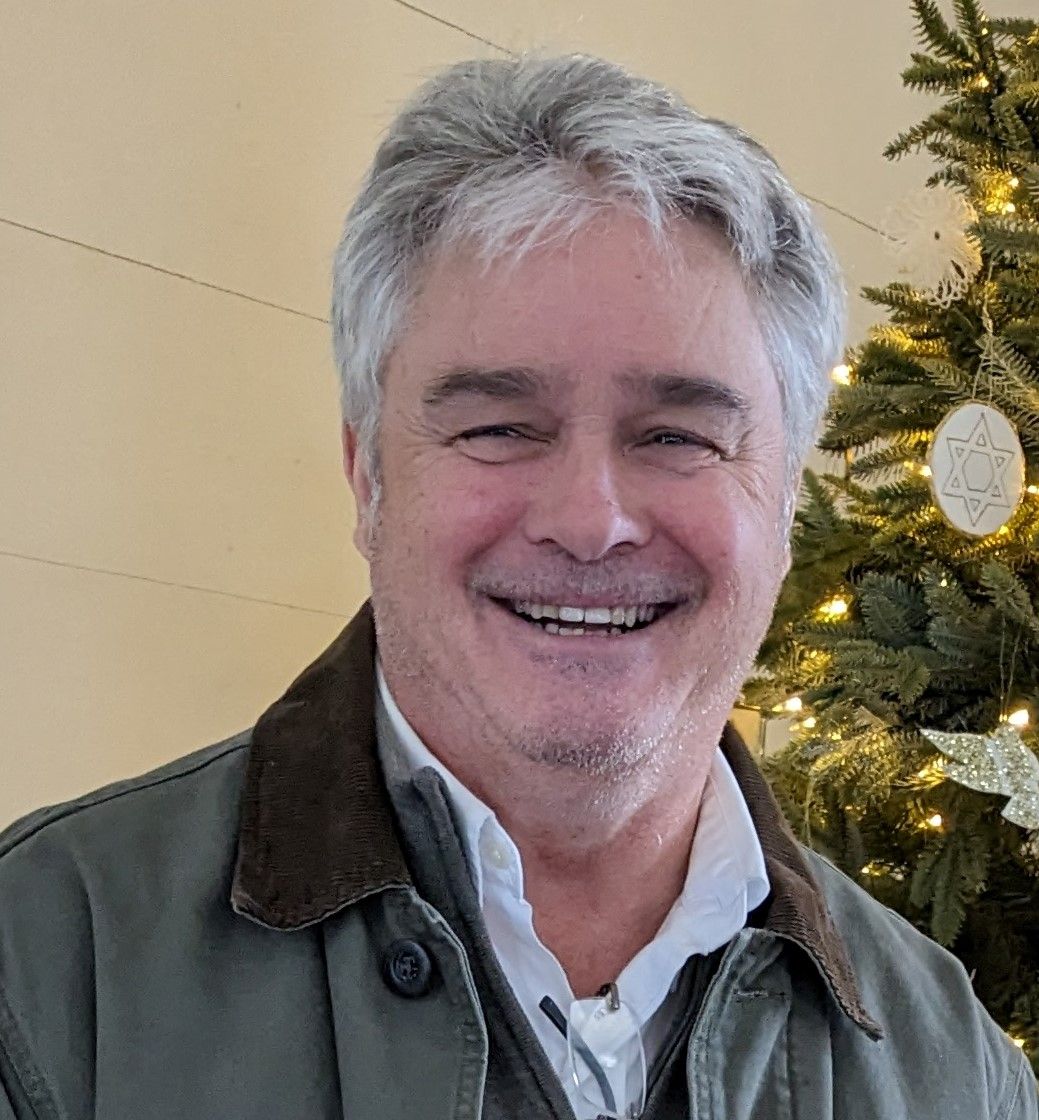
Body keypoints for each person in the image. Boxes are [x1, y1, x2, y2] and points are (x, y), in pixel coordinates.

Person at [0, 53, 1034, 1120]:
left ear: (780, 504)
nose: (589, 520)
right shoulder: (46, 978)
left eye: (677, 436)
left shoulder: (952, 1068)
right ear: (368, 478)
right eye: (497, 427)